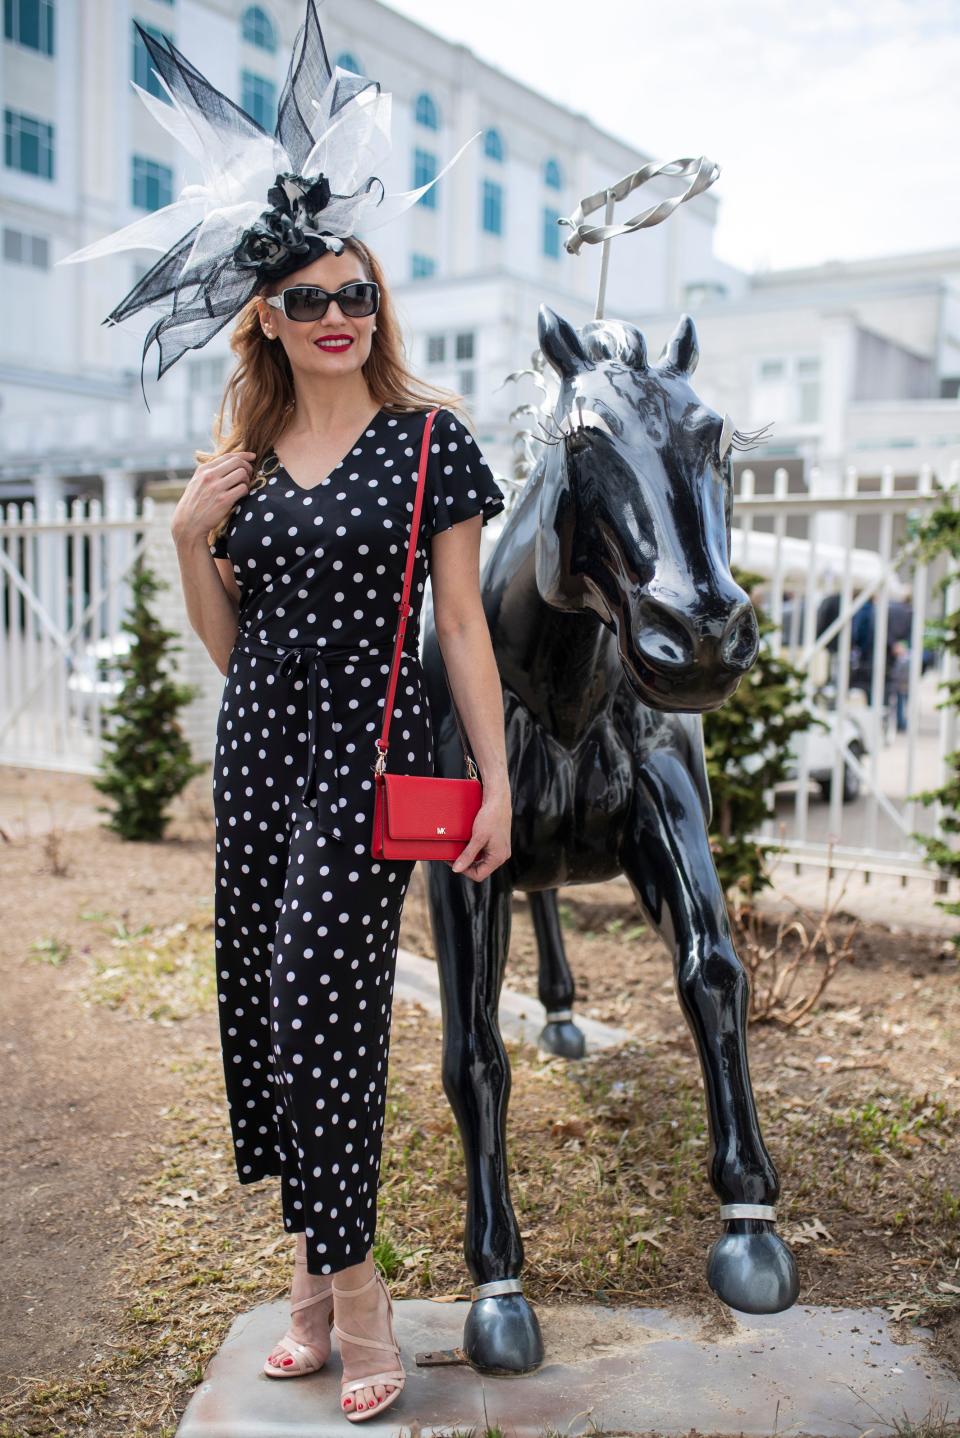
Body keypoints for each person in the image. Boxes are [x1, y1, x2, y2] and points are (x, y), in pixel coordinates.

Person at [57, 1, 509, 1421]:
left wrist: (496, 779)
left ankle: (357, 1288)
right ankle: (310, 1276)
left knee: (329, 1002)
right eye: (308, 298)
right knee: (264, 1007)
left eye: (356, 295)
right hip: (256, 756)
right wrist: (194, 537)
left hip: (368, 766)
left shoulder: (433, 441)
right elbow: (227, 647)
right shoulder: (239, 456)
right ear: (266, 310)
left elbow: (465, 628)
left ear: (380, 305)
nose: (336, 318)